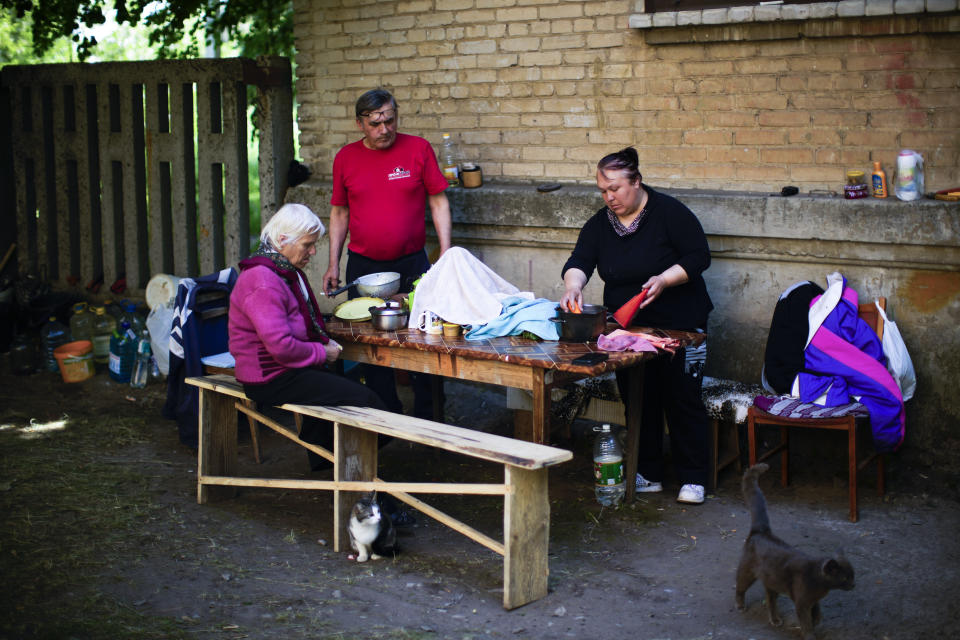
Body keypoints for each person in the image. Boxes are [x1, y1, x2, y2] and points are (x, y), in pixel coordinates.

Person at [560, 147, 714, 505]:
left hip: (681, 325)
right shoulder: (601, 224)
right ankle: (647, 472)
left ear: (637, 182)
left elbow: (698, 256)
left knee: (682, 398)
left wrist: (664, 280)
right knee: (638, 398)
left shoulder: (669, 213)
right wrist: (573, 285)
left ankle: (693, 477)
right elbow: (580, 259)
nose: (609, 197)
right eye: (603, 190)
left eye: (615, 188)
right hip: (629, 328)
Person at [323, 87, 452, 420]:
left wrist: (447, 253)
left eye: (390, 121)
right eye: (376, 124)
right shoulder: (345, 158)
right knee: (371, 343)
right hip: (364, 266)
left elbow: (438, 200)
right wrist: (332, 263)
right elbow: (339, 212)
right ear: (360, 124)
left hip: (413, 264)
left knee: (424, 336)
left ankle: (430, 412)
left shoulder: (419, 149)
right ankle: (385, 411)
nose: (384, 130)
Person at [229, 203, 387, 471]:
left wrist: (321, 344)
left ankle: (330, 459)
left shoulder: (281, 271)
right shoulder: (263, 281)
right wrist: (321, 352)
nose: (313, 251)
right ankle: (352, 471)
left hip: (285, 370)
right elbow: (280, 346)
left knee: (339, 388)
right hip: (270, 377)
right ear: (282, 241)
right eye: (307, 245)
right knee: (366, 403)